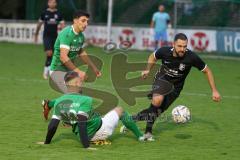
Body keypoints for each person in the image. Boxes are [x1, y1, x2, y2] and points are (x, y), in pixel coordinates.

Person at [132, 33, 221, 141]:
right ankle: (148, 133)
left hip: (176, 88)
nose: (182, 49)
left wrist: (214, 90)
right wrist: (147, 69)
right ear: (173, 44)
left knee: (157, 111)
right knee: (157, 100)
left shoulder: (191, 57)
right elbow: (153, 56)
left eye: (184, 46)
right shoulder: (164, 51)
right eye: (179, 46)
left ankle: (132, 120)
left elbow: (207, 71)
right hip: (162, 80)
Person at [37, 71, 144, 149]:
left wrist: (46, 142)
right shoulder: (85, 99)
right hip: (100, 130)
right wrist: (86, 146)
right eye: (80, 81)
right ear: (76, 83)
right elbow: (81, 123)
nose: (81, 83)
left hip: (82, 135)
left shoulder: (59, 101)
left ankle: (46, 104)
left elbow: (52, 126)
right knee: (120, 110)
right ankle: (141, 136)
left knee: (97, 115)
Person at [42, 10, 102, 120]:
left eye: (87, 22)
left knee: (77, 93)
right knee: (73, 96)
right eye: (83, 21)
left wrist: (94, 67)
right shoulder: (67, 34)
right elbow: (63, 57)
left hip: (68, 71)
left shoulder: (80, 37)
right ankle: (65, 119)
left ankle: (49, 104)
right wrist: (78, 72)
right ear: (75, 20)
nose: (85, 24)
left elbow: (81, 52)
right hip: (57, 70)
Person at [34, 0, 65, 79]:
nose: (52, 4)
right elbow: (39, 24)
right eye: (50, 2)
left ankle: (48, 72)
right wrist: (36, 34)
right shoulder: (44, 13)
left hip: (55, 37)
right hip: (46, 36)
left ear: (56, 4)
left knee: (54, 56)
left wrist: (63, 31)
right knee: (49, 53)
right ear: (48, 3)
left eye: (54, 2)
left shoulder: (59, 14)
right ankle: (45, 73)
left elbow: (62, 24)